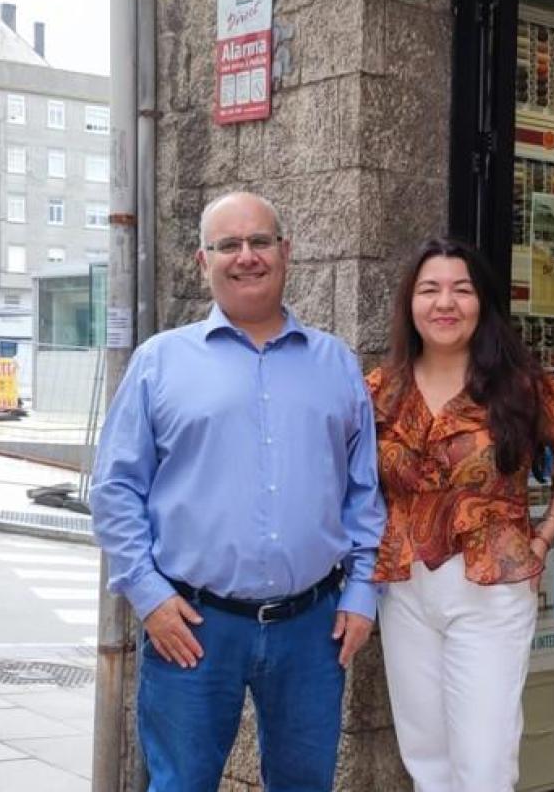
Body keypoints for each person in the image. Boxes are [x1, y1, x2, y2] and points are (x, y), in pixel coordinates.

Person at [91, 191, 385, 792]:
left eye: (259, 242)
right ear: (205, 261)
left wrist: (361, 593)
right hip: (193, 626)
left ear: (286, 252)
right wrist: (148, 598)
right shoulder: (159, 364)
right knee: (181, 785)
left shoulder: (336, 364)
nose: (245, 256)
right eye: (228, 245)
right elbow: (116, 490)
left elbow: (364, 491)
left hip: (313, 628)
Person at [366, 236, 554, 792]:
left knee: (484, 763)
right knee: (425, 757)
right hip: (404, 591)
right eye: (430, 290)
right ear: (411, 302)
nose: (444, 303)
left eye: (461, 289)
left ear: (483, 303)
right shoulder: (380, 391)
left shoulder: (522, 384)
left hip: (491, 590)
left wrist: (544, 538)